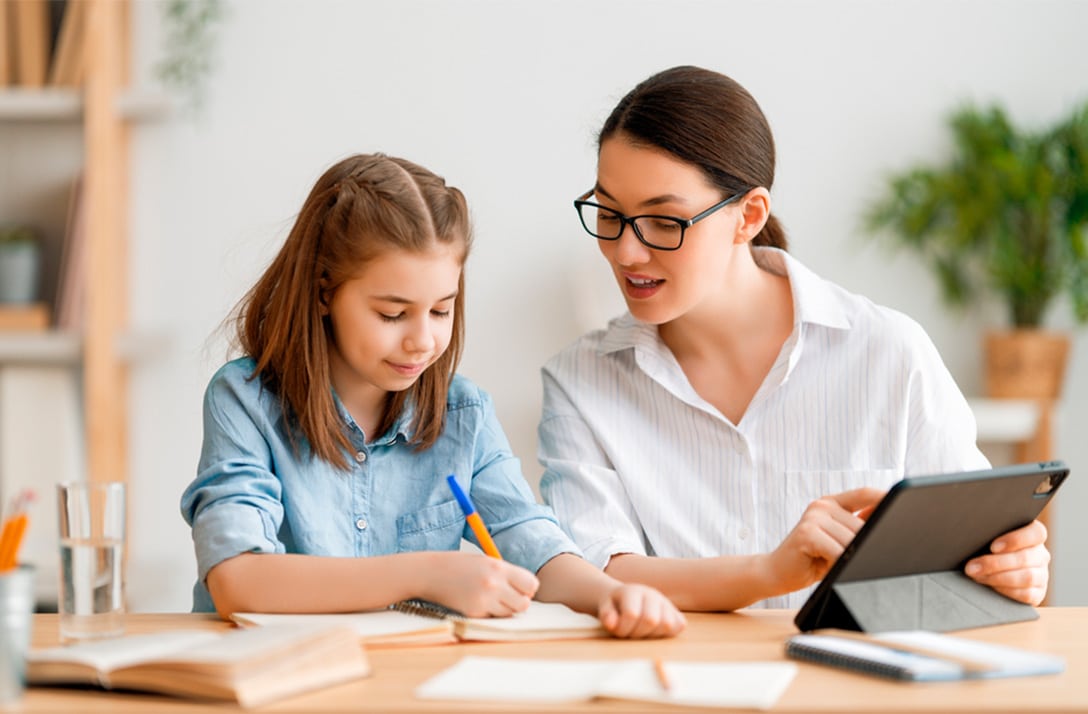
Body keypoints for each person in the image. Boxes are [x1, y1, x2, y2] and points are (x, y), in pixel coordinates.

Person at [538, 66, 1050, 612]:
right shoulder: (580, 381)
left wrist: (1012, 570)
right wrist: (768, 571)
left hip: (856, 693)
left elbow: (969, 561)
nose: (626, 253)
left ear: (748, 216)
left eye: (664, 222)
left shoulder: (889, 354)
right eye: (610, 214)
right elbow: (602, 575)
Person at [180, 153, 685, 639]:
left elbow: (527, 537)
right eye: (392, 314)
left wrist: (608, 596)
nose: (422, 340)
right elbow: (236, 580)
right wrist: (428, 574)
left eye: (441, 311)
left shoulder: (462, 412)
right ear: (323, 292)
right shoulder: (244, 401)